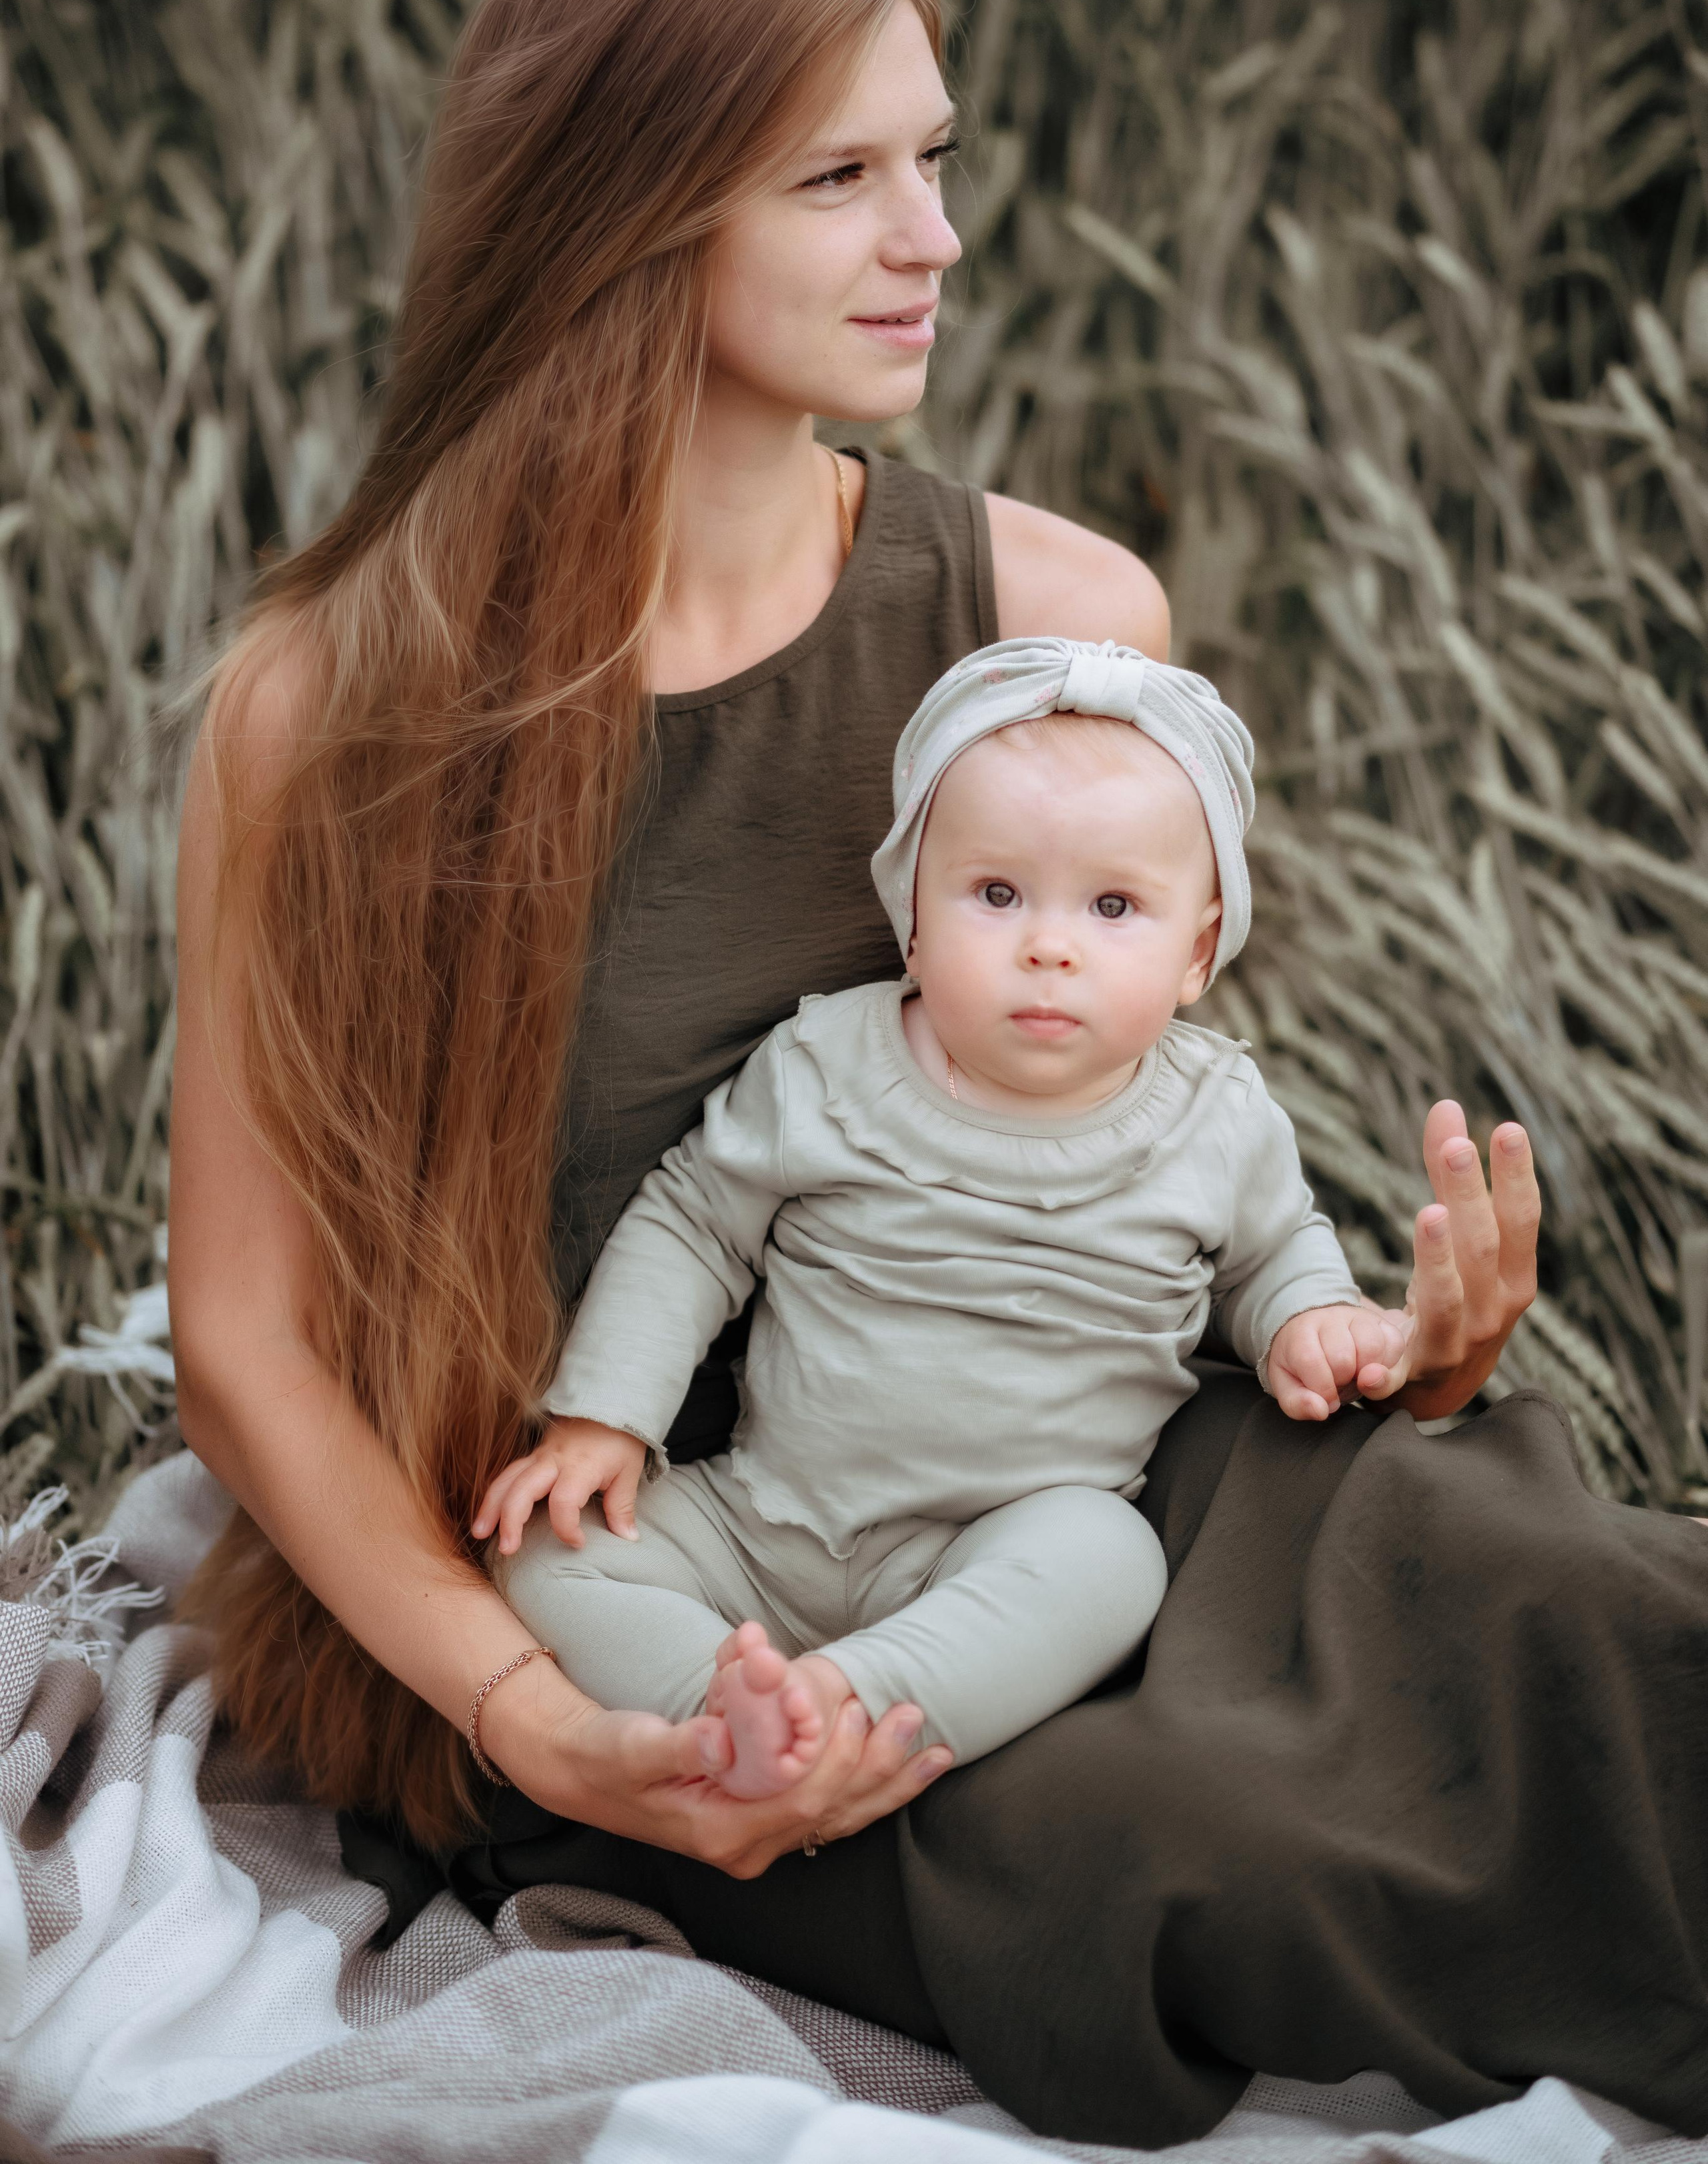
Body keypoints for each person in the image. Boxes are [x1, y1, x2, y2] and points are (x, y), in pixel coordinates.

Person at [168, 0, 1707, 2149]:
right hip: (677, 1605)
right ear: (624, 212)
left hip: (1095, 1456)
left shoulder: (1056, 618)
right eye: (844, 176)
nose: (938, 238)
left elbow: (1148, 1143)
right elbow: (248, 1339)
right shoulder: (327, 705)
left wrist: (1387, 1349)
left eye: (939, 161)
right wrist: (522, 1712)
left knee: (1563, 1595)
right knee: (1205, 1851)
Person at [476, 638, 1415, 1798]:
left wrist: (1308, 1322)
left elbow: (1272, 1256)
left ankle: (855, 1701)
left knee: (1109, 1564)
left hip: (991, 1547)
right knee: (547, 1555)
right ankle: (716, 1712)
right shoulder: (830, 1062)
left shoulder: (1215, 1116)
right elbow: (695, 1224)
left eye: (1115, 906)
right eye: (996, 893)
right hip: (763, 1518)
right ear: (911, 915)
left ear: (1200, 949)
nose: (1049, 944)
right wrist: (605, 1418)